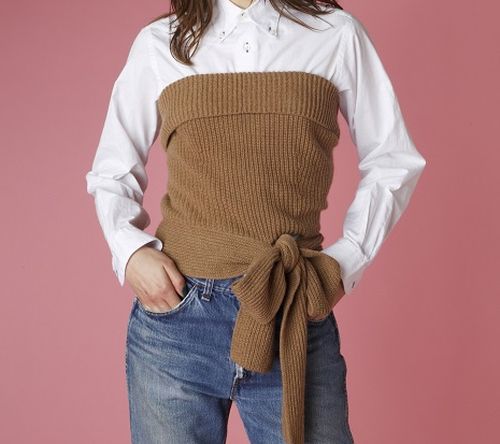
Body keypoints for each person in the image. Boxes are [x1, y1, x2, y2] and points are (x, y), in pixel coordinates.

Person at [85, 1, 427, 443]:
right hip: (178, 316)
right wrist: (131, 253)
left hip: (291, 309)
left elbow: (393, 161)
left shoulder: (336, 34)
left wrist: (346, 263)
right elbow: (112, 172)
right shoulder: (161, 42)